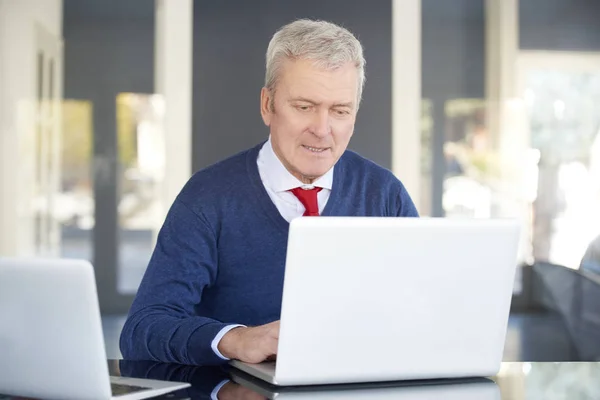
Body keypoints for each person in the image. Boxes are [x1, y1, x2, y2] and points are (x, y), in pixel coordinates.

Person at [120, 18, 419, 366]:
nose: (322, 130)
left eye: (339, 111)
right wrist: (234, 340)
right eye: (304, 107)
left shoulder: (385, 195)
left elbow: (423, 310)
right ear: (268, 105)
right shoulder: (206, 198)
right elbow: (143, 329)